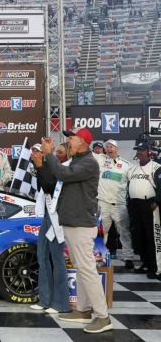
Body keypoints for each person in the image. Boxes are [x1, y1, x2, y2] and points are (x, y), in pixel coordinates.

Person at [41, 127, 112, 334]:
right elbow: (56, 174)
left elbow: (62, 173)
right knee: (81, 269)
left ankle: (103, 316)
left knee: (87, 270)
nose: (68, 142)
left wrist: (48, 154)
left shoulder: (89, 163)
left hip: (81, 224)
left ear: (82, 141)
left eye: (71, 138)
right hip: (73, 222)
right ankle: (83, 310)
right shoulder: (79, 160)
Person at [30, 142, 70, 314]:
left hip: (57, 217)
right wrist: (40, 166)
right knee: (42, 257)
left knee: (57, 260)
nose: (58, 155)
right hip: (48, 214)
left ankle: (61, 303)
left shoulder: (67, 168)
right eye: (57, 152)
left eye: (61, 152)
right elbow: (44, 187)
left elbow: (50, 186)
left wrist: (40, 166)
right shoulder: (51, 166)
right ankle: (45, 299)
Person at [93, 139, 134, 269]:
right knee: (101, 232)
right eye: (107, 147)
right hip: (103, 203)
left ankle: (128, 258)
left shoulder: (127, 165)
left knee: (124, 232)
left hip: (119, 204)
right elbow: (87, 153)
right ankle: (99, 257)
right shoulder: (101, 159)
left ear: (117, 148)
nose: (109, 148)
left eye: (112, 146)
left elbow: (135, 181)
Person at [127, 142, 161, 279]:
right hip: (135, 205)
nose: (139, 152)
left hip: (150, 205)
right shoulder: (133, 169)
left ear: (148, 152)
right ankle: (146, 263)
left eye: (141, 150)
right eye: (137, 150)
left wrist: (156, 201)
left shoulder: (156, 167)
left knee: (152, 237)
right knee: (139, 236)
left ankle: (156, 267)